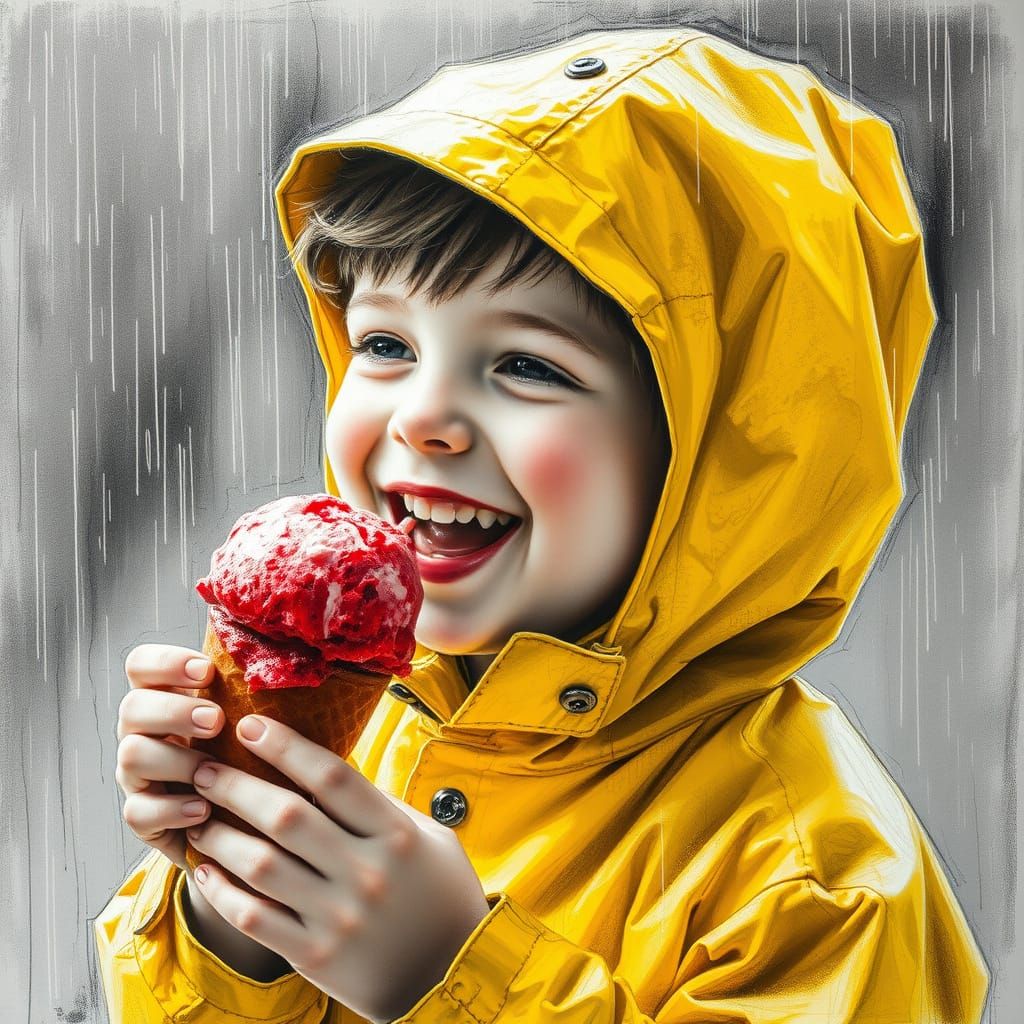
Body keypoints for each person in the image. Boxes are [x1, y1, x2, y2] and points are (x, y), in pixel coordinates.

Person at [94, 26, 989, 1024]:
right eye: (384, 342)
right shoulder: (368, 725)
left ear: (721, 458)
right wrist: (233, 914)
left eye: (526, 364)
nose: (420, 417)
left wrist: (455, 977)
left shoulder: (817, 881)